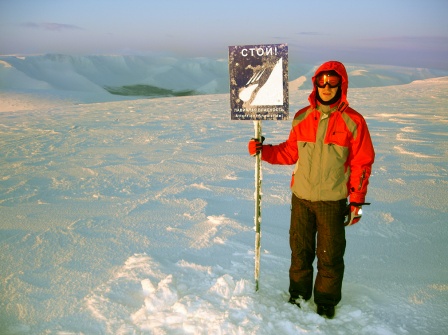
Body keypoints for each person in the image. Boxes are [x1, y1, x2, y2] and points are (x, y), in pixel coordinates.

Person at [248, 60, 375, 319]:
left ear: (341, 84)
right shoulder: (303, 117)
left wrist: (356, 201)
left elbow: (362, 163)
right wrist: (264, 151)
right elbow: (289, 152)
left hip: (332, 200)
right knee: (300, 251)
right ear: (315, 83)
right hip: (302, 197)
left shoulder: (354, 121)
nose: (326, 87)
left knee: (329, 256)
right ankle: (298, 294)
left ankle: (326, 301)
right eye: (321, 81)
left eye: (332, 82)